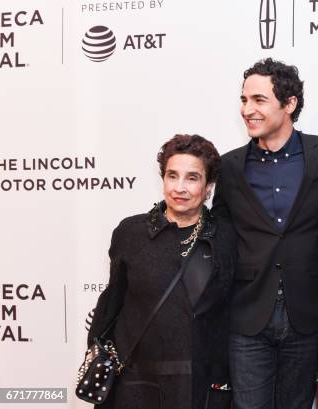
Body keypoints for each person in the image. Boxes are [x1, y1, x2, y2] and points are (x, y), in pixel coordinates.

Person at [212, 58, 318, 409]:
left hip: (307, 316)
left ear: (289, 105)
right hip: (247, 317)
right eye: (244, 100)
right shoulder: (228, 167)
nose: (247, 109)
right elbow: (221, 237)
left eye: (259, 100)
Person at [87, 134, 234, 409]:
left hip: (197, 384)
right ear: (162, 178)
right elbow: (111, 305)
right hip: (135, 381)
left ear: (209, 186)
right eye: (172, 175)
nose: (180, 187)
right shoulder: (131, 232)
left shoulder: (224, 237)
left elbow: (226, 315)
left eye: (192, 178)